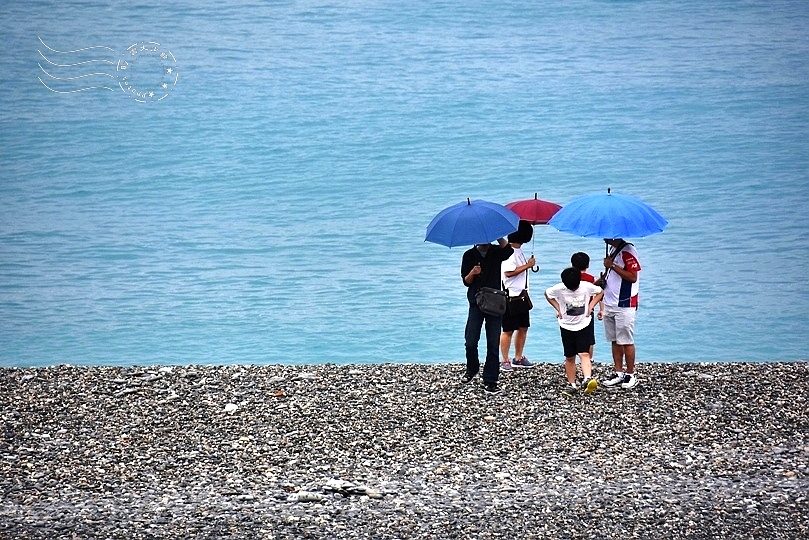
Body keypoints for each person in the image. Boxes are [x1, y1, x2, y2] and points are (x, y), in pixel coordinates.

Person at [461, 238, 514, 394]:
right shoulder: (469, 255)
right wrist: (473, 272)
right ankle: (472, 368)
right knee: (470, 341)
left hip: (494, 303)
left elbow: (509, 251)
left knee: (492, 343)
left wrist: (498, 235)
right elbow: (466, 281)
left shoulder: (496, 251)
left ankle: (490, 379)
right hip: (475, 303)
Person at [545, 267, 604, 395]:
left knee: (584, 353)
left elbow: (600, 292)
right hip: (566, 325)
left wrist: (591, 307)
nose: (573, 290)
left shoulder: (586, 286)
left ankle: (587, 378)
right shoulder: (559, 288)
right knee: (569, 356)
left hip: (584, 324)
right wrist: (558, 309)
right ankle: (572, 384)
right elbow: (547, 294)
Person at [598, 238, 641, 389]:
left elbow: (632, 276)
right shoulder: (612, 249)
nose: (604, 237)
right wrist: (600, 281)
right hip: (610, 301)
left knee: (626, 340)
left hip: (624, 302)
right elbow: (612, 275)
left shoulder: (628, 250)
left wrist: (613, 266)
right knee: (614, 339)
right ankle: (618, 372)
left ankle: (630, 374)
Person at [500, 221, 537, 371]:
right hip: (510, 296)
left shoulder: (518, 250)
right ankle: (505, 360)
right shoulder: (509, 252)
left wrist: (527, 265)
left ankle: (518, 357)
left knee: (523, 327)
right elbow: (508, 272)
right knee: (508, 329)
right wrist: (528, 266)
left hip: (521, 295)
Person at [570, 252, 602, 367]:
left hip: (572, 309)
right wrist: (601, 309)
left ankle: (571, 358)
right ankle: (589, 359)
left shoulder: (570, 278)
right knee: (589, 338)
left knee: (572, 333)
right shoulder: (591, 279)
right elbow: (599, 294)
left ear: (572, 264)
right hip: (588, 311)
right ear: (588, 265)